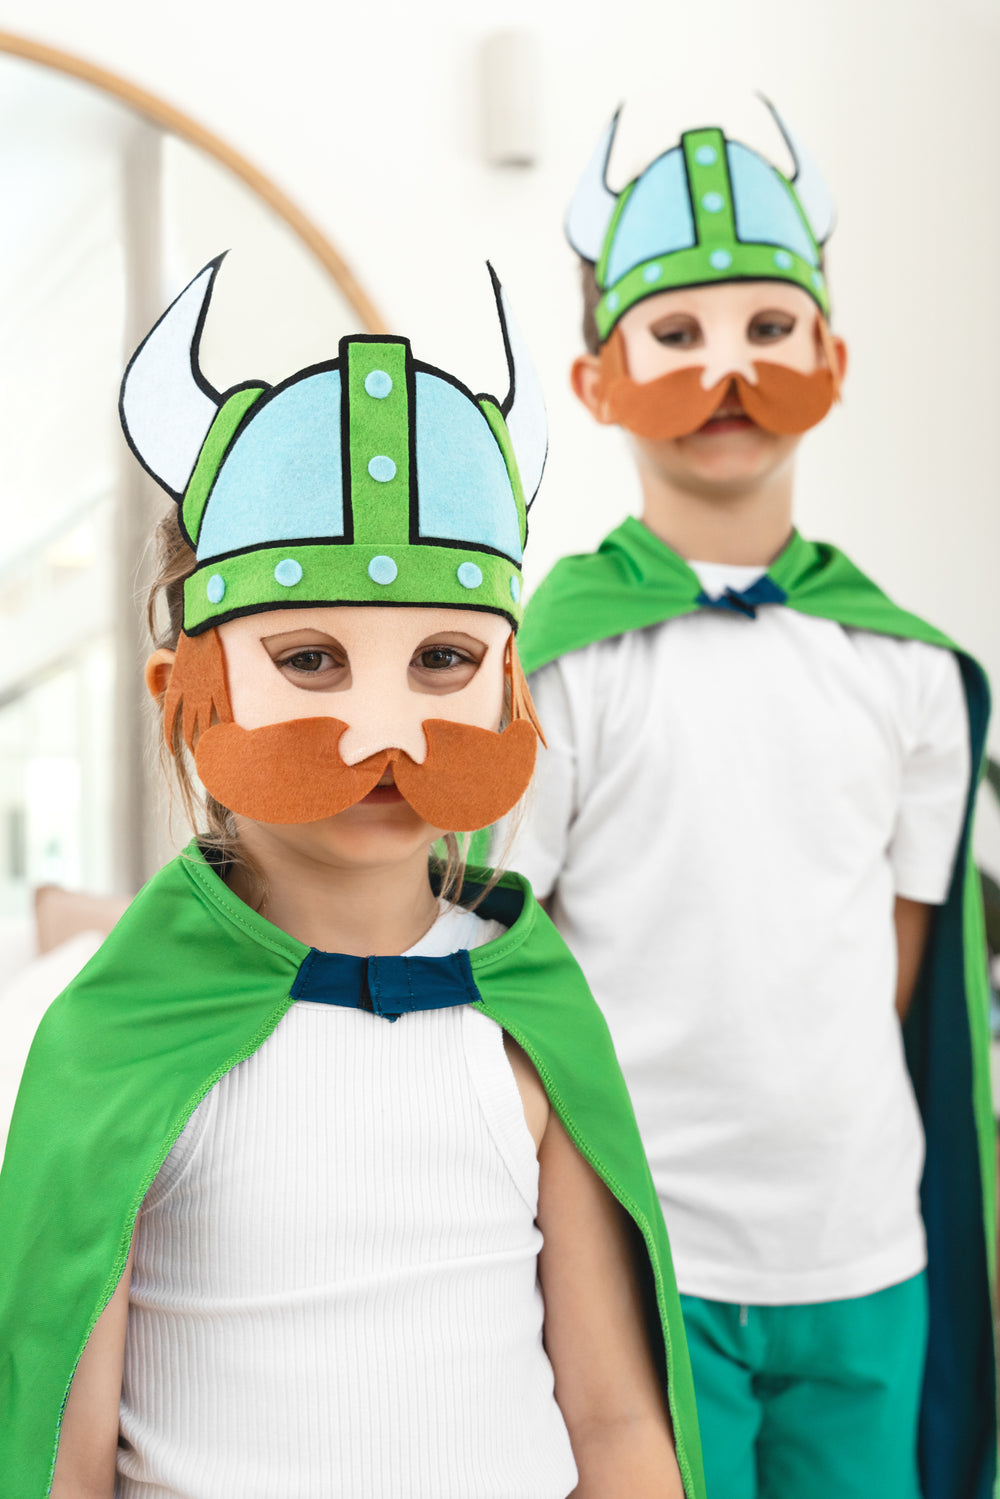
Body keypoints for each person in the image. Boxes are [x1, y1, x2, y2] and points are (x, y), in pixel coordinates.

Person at [0, 259, 706, 1499]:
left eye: (441, 657)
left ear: (508, 690)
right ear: (189, 697)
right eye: (311, 658)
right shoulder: (119, 1033)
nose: (389, 728)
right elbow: (61, 1445)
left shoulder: (530, 1010)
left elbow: (613, 1420)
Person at [509, 99, 996, 1499]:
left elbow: (903, 961)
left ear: (832, 362)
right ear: (598, 380)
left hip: (864, 1244)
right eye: (676, 334)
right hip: (652, 1248)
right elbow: (514, 952)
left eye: (770, 329)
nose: (727, 368)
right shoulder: (568, 664)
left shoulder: (904, 670)